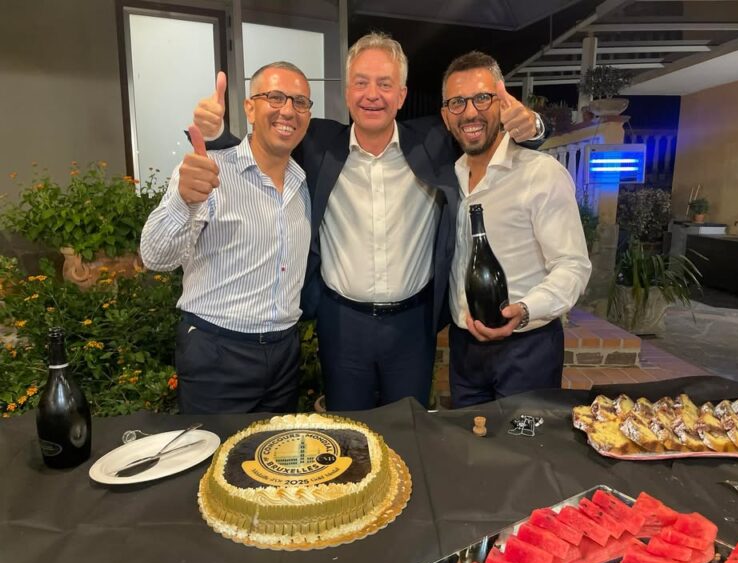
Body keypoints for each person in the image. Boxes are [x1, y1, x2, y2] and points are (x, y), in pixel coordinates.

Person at [194, 33, 547, 411]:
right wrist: (215, 135)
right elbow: (263, 147)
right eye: (361, 83)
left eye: (385, 84)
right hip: (341, 324)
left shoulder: (433, 140)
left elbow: (480, 132)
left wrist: (534, 128)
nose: (372, 95)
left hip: (413, 325)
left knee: (409, 425)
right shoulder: (318, 144)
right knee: (349, 430)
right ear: (347, 93)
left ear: (402, 95)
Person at [140, 61, 313, 414]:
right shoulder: (209, 169)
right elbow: (155, 257)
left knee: (272, 449)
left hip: (284, 354)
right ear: (249, 108)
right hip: (217, 352)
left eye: (300, 102)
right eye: (275, 97)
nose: (288, 110)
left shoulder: (301, 183)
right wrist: (183, 200)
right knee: (214, 449)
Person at [440, 51, 592, 408]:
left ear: (503, 102)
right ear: (446, 116)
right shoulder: (449, 175)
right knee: (469, 440)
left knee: (525, 443)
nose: (470, 112)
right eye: (457, 102)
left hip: (528, 349)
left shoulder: (541, 173)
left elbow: (573, 266)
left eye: (482, 98)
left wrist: (524, 310)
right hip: (464, 351)